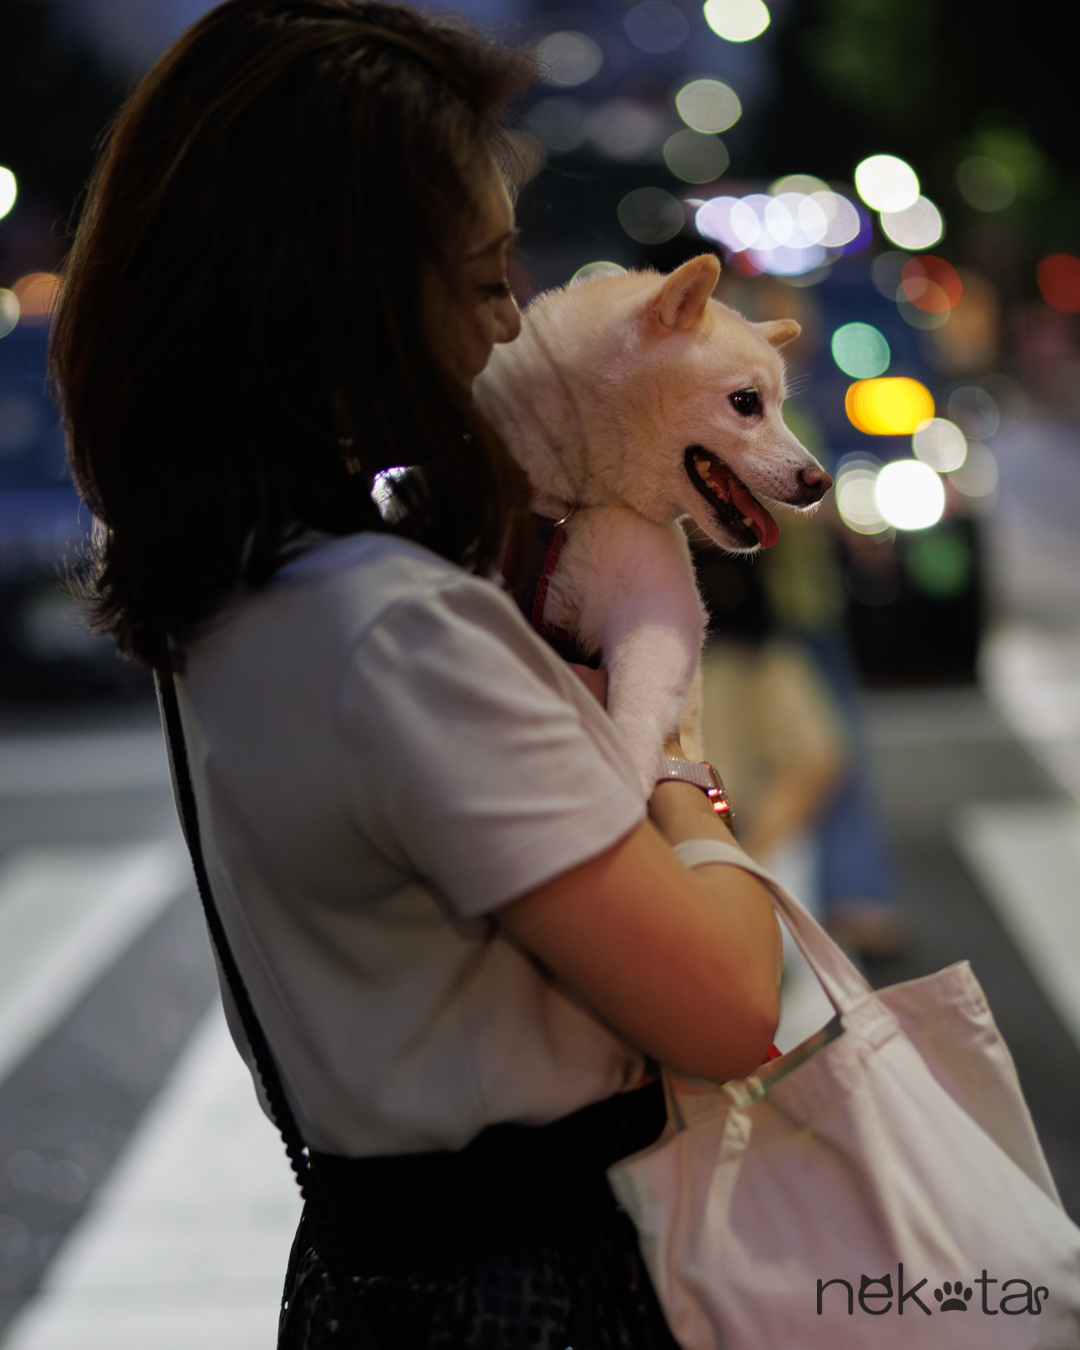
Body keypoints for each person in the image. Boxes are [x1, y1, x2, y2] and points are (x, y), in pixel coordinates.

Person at [51, 3, 782, 1346]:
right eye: (483, 279)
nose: (507, 327)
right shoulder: (396, 630)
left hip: (369, 1271)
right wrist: (678, 764)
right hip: (541, 1287)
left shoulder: (226, 570)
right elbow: (731, 1006)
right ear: (345, 299)